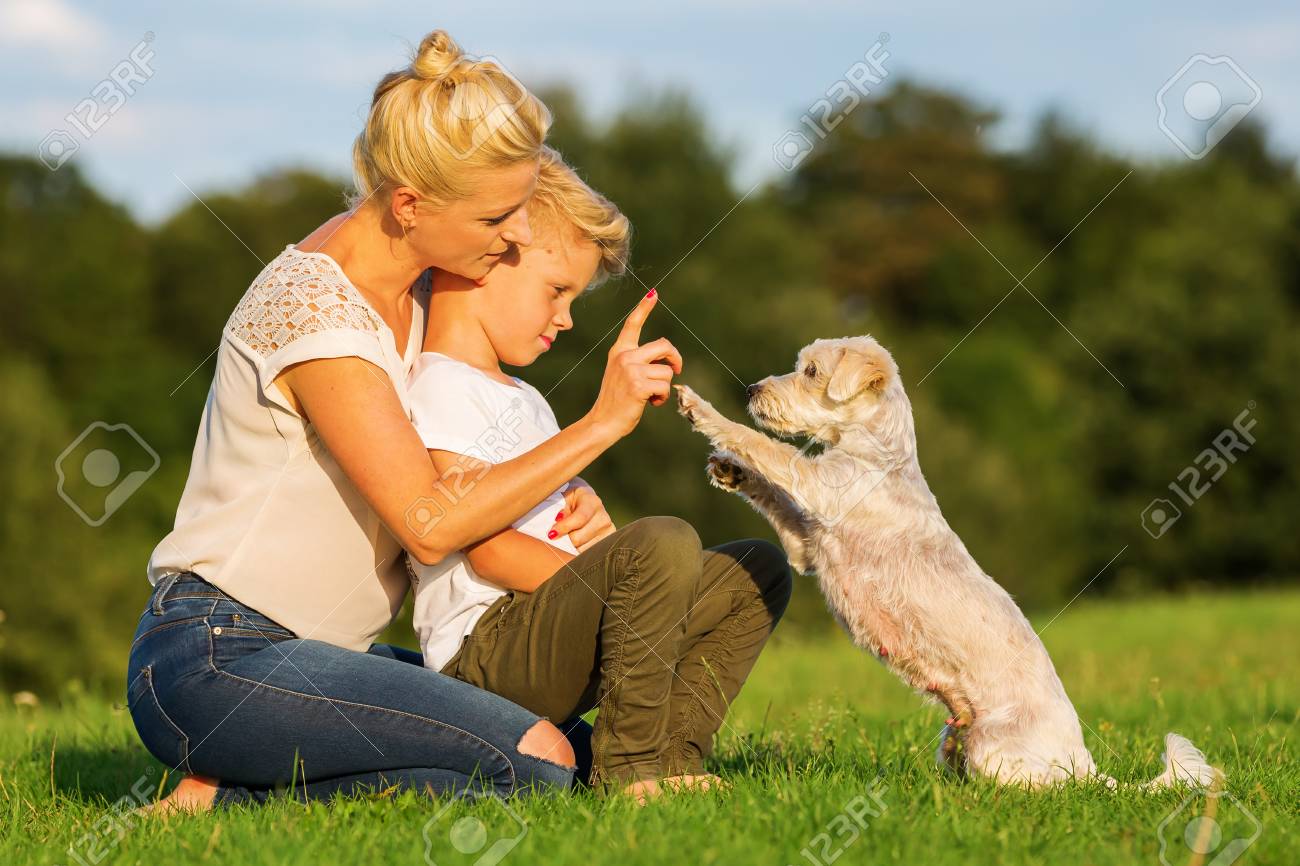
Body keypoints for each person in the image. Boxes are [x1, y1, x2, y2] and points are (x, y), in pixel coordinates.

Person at [127, 29, 673, 813]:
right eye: (497, 219)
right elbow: (426, 522)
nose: (515, 235)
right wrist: (599, 425)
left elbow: (460, 466)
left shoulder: (420, 295)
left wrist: (559, 503)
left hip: (322, 653)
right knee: (539, 763)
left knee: (586, 753)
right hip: (216, 654)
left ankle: (242, 778)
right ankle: (222, 799)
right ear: (411, 205)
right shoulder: (316, 313)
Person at [405, 147, 793, 798]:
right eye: (557, 291)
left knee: (757, 570)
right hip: (485, 652)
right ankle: (628, 771)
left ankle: (672, 757)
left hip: (545, 629)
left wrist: (601, 545)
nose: (566, 317)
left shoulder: (526, 400)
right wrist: (627, 587)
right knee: (663, 541)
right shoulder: (439, 384)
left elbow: (549, 521)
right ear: (486, 263)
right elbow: (489, 547)